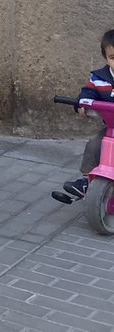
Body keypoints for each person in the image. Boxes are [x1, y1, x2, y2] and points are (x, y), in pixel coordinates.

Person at [51, 27, 114, 204]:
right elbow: (88, 92)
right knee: (95, 145)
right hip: (112, 128)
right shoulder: (100, 78)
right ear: (106, 58)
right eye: (113, 58)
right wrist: (83, 102)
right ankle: (88, 181)